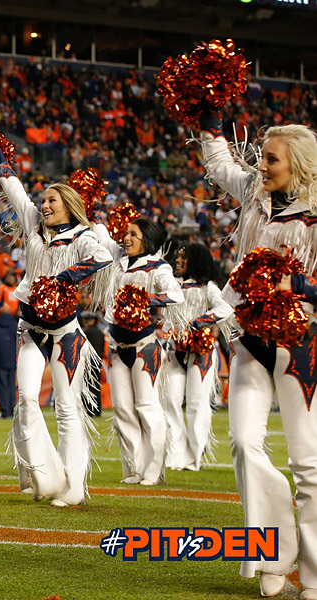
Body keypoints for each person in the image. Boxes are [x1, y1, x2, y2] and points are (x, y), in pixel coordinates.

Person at [199, 116, 317, 598]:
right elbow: (221, 166)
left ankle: (313, 573)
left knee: (308, 463)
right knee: (245, 444)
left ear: (301, 167)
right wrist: (207, 123)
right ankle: (273, 552)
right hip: (249, 340)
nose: (261, 166)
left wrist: (302, 286)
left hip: (300, 344)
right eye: (262, 156)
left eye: (271, 159)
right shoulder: (254, 195)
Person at [0, 147, 113, 507]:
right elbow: (15, 191)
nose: (44, 205)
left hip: (65, 332)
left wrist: (62, 280)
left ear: (68, 205)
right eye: (43, 200)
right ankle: (41, 474)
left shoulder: (82, 236)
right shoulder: (34, 227)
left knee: (67, 407)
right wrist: (1, 164)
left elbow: (102, 257)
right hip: (29, 328)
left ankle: (73, 486)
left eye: (52, 201)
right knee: (26, 399)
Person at [93, 216, 183, 486]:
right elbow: (102, 235)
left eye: (133, 234)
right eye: (126, 233)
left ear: (148, 239)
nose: (126, 238)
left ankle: (155, 470)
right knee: (122, 408)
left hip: (145, 345)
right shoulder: (118, 262)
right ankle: (135, 467)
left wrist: (144, 299)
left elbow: (176, 295)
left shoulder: (158, 267)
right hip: (117, 347)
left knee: (147, 406)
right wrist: (95, 214)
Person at [163, 243, 232, 471]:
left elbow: (225, 309)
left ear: (196, 261)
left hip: (201, 353)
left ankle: (195, 457)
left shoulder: (207, 287)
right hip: (176, 351)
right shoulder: (174, 286)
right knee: (171, 401)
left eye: (184, 258)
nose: (178, 261)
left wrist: (198, 323)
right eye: (178, 257)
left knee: (196, 404)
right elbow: (168, 320)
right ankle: (176, 454)